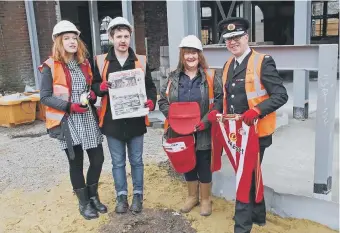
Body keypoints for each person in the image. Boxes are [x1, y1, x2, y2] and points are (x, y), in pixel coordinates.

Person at [208, 17, 288, 232]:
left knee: (245, 177)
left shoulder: (263, 61)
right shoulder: (227, 65)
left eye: (236, 38)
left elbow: (280, 95)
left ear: (246, 37)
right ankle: (258, 216)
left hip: (256, 132)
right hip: (236, 134)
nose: (232, 42)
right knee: (250, 174)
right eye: (228, 39)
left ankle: (241, 227)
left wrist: (257, 111)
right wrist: (215, 109)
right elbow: (223, 95)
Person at [39, 20, 107, 220]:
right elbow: (44, 97)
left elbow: (90, 87)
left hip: (86, 117)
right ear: (58, 41)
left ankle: (93, 196)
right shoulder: (49, 66)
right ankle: (84, 203)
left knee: (98, 159)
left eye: (74, 38)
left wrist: (93, 95)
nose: (71, 41)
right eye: (66, 38)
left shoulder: (83, 63)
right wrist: (70, 106)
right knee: (76, 164)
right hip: (68, 121)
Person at [92, 17, 157, 214]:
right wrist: (100, 88)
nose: (123, 40)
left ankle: (137, 195)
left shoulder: (140, 61)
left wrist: (151, 101)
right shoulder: (101, 61)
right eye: (118, 36)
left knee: (137, 161)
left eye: (126, 36)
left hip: (136, 120)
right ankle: (121, 196)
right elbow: (93, 86)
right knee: (118, 163)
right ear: (111, 38)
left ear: (130, 38)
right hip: (112, 122)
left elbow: (150, 87)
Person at [158, 35, 223, 216]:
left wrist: (206, 121)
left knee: (203, 162)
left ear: (199, 54)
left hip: (204, 130)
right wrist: (172, 118)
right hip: (179, 130)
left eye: (194, 52)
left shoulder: (211, 76)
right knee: (186, 162)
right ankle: (192, 196)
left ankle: (205, 199)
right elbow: (162, 100)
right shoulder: (173, 77)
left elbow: (219, 100)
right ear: (182, 55)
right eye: (187, 53)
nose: (191, 56)